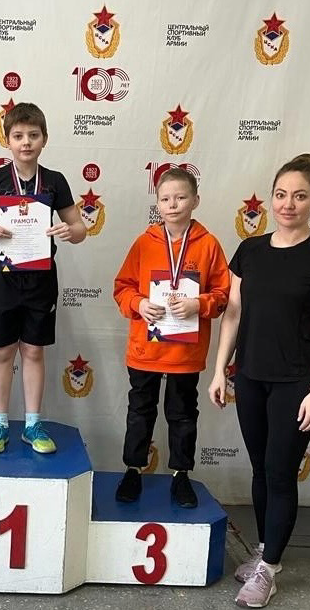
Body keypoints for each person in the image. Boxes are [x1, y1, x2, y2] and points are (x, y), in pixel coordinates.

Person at [208, 154, 310, 608]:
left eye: (300, 196)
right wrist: (219, 369)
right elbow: (233, 314)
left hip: (297, 383)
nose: (288, 204)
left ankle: (267, 569)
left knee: (280, 471)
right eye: (281, 194)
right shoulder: (250, 250)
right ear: (271, 198)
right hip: (250, 376)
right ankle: (266, 551)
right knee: (260, 469)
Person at [0, 102, 85, 455]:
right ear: (8, 141)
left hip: (40, 279)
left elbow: (80, 229)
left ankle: (32, 424)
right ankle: (0, 422)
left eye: (33, 135)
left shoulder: (55, 180)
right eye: (18, 136)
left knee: (33, 350)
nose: (26, 142)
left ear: (44, 138)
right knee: (3, 351)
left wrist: (70, 231)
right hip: (2, 277)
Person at [114, 167, 230, 507]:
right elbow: (122, 287)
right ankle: (133, 469)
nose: (173, 205)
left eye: (180, 197)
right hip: (145, 350)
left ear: (196, 200)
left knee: (182, 414)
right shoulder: (144, 243)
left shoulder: (208, 245)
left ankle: (181, 474)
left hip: (185, 353)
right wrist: (139, 304)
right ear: (157, 204)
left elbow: (223, 294)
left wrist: (199, 304)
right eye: (165, 199)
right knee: (140, 411)